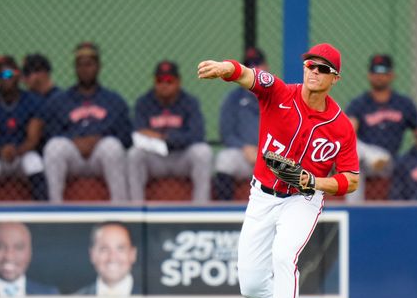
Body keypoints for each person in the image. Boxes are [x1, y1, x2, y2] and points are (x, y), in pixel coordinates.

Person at [197, 42, 359, 298]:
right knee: (252, 283)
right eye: (311, 65)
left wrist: (315, 182)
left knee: (285, 257)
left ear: (335, 78)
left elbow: (351, 179)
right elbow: (249, 76)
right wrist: (224, 67)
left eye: (323, 68)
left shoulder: (340, 126)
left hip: (303, 199)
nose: (314, 72)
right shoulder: (280, 93)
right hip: (263, 195)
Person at [43, 42, 132, 202]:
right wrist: (73, 141)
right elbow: (49, 134)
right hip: (72, 157)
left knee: (112, 146)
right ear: (75, 68)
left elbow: (126, 137)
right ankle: (55, 209)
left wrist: (99, 139)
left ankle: (120, 208)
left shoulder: (114, 100)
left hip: (100, 156)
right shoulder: (60, 101)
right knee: (54, 148)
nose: (85, 69)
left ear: (98, 67)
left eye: (89, 64)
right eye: (80, 65)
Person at [127, 60, 213, 202]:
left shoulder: (190, 102)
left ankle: (200, 207)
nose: (164, 85)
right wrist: (178, 137)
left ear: (178, 81)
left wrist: (164, 137)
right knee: (134, 154)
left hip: (181, 157)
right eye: (160, 80)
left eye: (169, 80)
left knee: (203, 152)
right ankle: (136, 208)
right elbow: (138, 134)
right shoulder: (144, 102)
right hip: (155, 159)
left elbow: (197, 135)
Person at [0, 55, 48, 201]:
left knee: (34, 162)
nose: (6, 77)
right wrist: (0, 151)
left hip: (21, 154)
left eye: (9, 73)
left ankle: (42, 210)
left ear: (18, 74)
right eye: (1, 74)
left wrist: (17, 151)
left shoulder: (33, 101)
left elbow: (33, 140)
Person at [345, 54, 417, 201]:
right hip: (364, 162)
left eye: (383, 72)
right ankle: (353, 207)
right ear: (369, 75)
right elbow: (348, 133)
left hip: (390, 161)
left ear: (392, 75)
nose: (379, 76)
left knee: (363, 155)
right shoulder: (359, 103)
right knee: (354, 157)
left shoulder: (403, 103)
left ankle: (374, 157)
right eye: (375, 72)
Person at [213, 48, 267, 200]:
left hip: (272, 156)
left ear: (266, 67)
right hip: (244, 155)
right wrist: (244, 147)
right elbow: (226, 133)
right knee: (225, 159)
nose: (254, 70)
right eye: (250, 66)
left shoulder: (277, 94)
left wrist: (266, 151)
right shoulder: (233, 99)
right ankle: (224, 212)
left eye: (258, 65)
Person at [75, 222, 140, 296]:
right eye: (104, 249)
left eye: (120, 248)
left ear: (133, 254)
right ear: (92, 255)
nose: (112, 257)